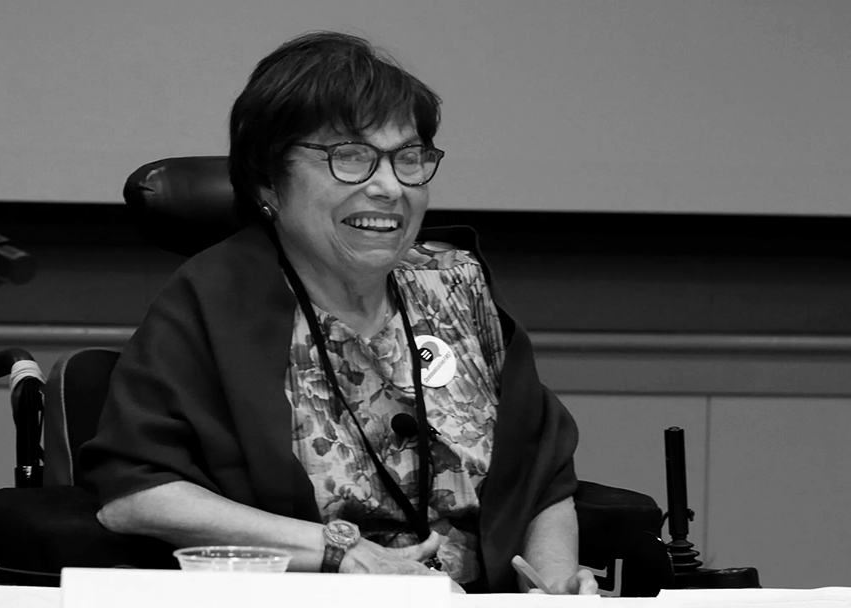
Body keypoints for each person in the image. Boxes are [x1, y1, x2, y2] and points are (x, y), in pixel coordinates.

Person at [79, 30, 597, 595]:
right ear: (266, 180)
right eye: (350, 157)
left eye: (409, 158)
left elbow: (541, 477)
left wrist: (552, 587)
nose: (388, 187)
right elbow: (135, 496)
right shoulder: (215, 297)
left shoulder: (454, 284)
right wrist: (340, 554)